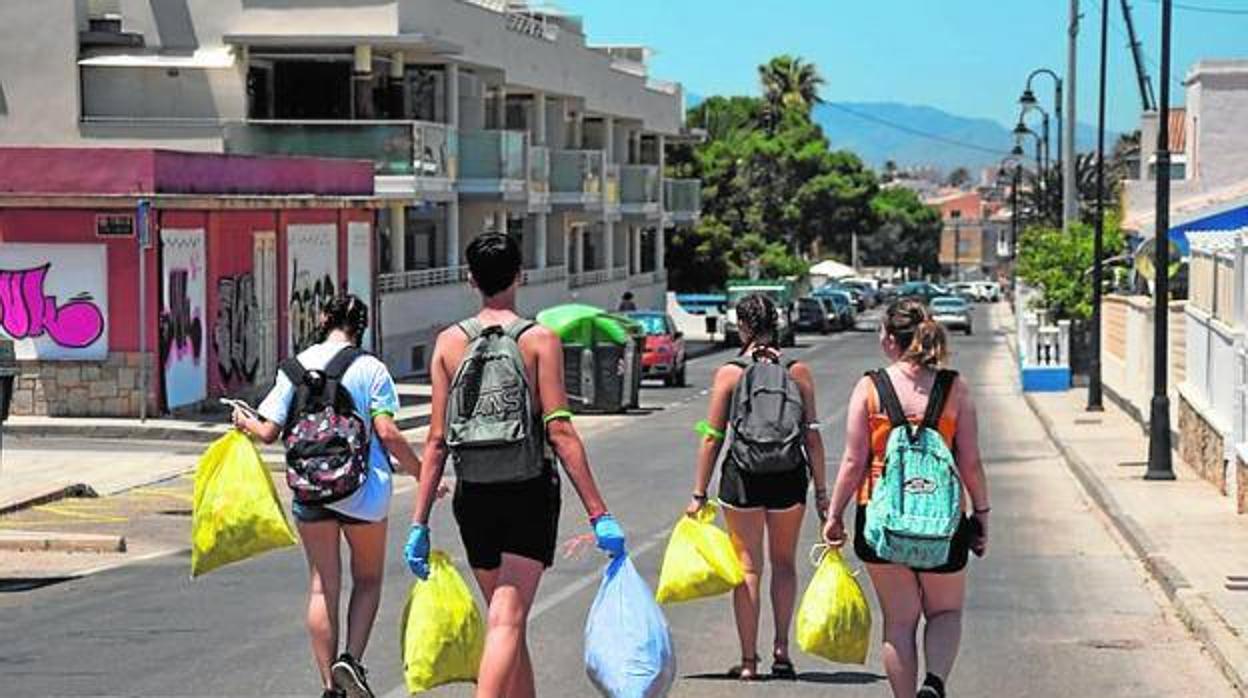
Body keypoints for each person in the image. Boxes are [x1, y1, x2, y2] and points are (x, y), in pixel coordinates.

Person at [405, 233, 627, 698]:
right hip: (528, 489)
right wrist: (598, 513)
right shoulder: (539, 340)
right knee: (507, 618)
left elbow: (436, 440)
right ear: (519, 275)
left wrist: (419, 523)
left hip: (474, 493)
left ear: (471, 279)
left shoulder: (448, 344)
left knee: (508, 618)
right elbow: (560, 431)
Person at [232, 294, 425, 698]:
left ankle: (328, 687)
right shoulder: (372, 368)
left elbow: (268, 431)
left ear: (323, 320)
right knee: (368, 580)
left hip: (310, 491)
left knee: (322, 586)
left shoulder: (295, 367)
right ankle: (350, 660)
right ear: (362, 326)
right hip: (364, 493)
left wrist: (242, 419)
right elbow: (387, 433)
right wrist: (424, 475)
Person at [822, 299, 990, 698]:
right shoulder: (954, 388)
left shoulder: (870, 387)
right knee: (945, 611)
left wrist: (834, 515)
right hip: (943, 521)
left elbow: (852, 460)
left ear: (889, 340)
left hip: (880, 517)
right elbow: (970, 462)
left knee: (899, 621)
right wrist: (981, 513)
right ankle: (933, 684)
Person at [686, 293, 828, 681]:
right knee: (784, 564)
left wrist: (699, 493)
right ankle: (782, 650)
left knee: (748, 567)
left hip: (743, 477)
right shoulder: (798, 371)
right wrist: (822, 493)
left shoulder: (730, 372)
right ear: (777, 323)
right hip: (789, 474)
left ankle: (749, 661)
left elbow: (712, 436)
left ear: (742, 326)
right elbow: (811, 436)